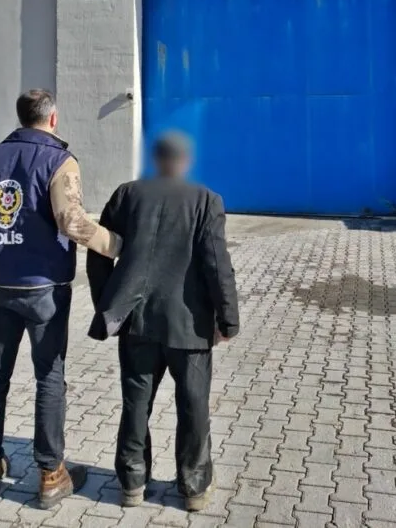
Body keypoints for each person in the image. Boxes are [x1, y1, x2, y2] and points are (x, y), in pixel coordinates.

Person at [0, 89, 122, 509]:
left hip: (0, 285)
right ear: (52, 119)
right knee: (49, 377)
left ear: (21, 117)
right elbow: (72, 221)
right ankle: (51, 474)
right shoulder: (59, 160)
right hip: (45, 289)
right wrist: (119, 245)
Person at [86, 131, 239, 512]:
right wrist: (228, 319)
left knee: (136, 403)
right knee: (193, 405)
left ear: (156, 160)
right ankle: (194, 488)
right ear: (185, 161)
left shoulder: (126, 195)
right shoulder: (205, 200)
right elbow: (217, 264)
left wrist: (108, 305)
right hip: (189, 326)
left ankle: (132, 484)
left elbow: (99, 252)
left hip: (136, 322)